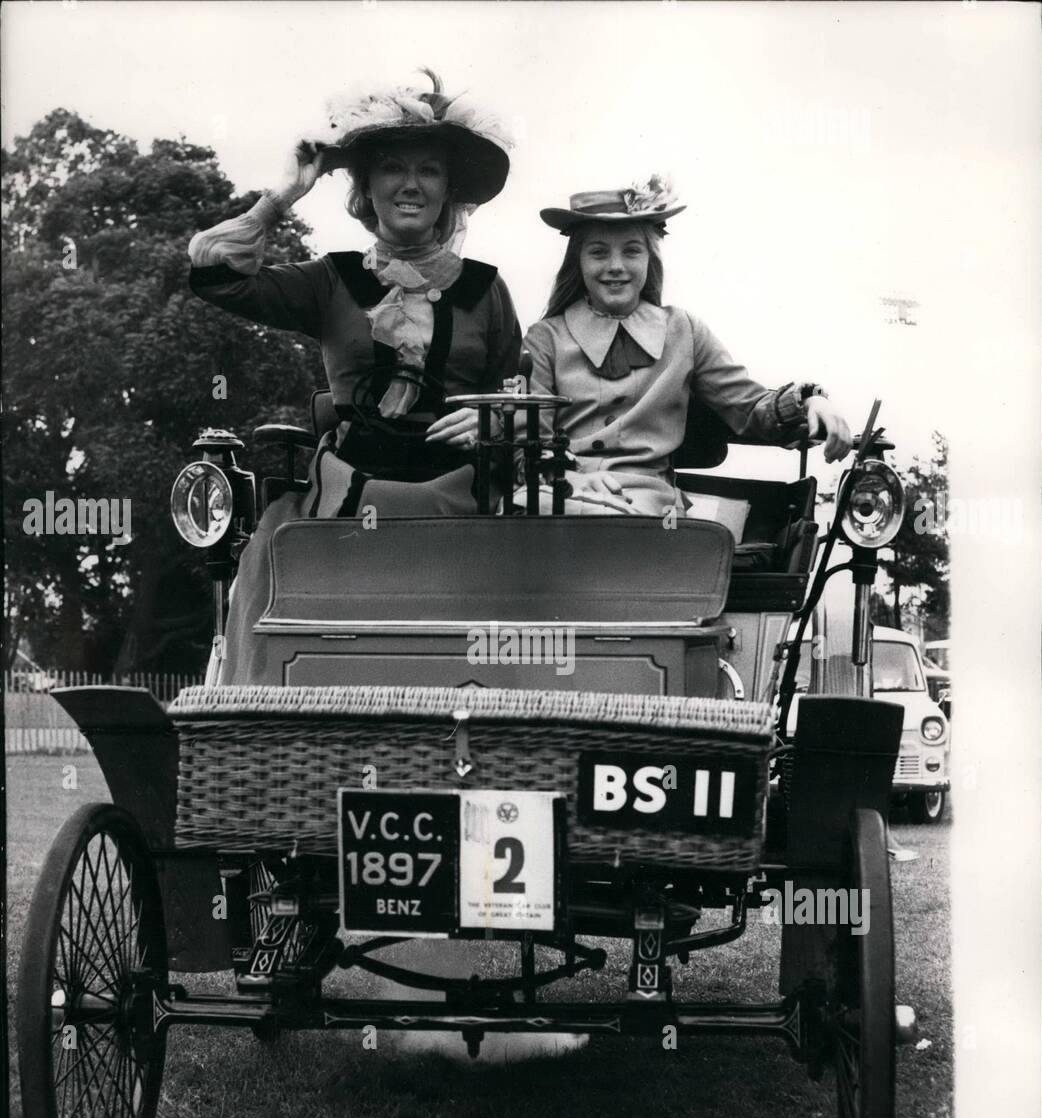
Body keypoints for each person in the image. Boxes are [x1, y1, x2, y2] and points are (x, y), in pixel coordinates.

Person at [187, 70, 520, 682]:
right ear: (367, 185)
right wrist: (284, 194)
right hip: (345, 499)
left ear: (450, 190)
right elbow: (216, 275)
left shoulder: (487, 289)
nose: (412, 185)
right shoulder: (330, 280)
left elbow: (516, 396)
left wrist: (489, 418)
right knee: (273, 569)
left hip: (461, 501)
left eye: (430, 170)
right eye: (392, 167)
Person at [520, 176, 852, 518]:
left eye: (632, 251)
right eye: (598, 252)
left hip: (646, 500)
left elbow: (749, 406)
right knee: (523, 509)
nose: (615, 266)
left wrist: (811, 400)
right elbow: (528, 444)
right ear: (579, 262)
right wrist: (570, 479)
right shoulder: (546, 338)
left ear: (650, 259)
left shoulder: (684, 331)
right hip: (559, 492)